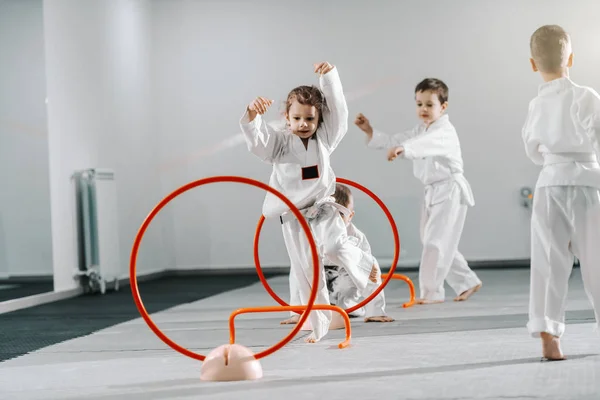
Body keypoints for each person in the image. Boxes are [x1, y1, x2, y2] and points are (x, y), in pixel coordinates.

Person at [240, 62, 376, 342]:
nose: (304, 124)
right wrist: (253, 115)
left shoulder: (324, 140)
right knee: (306, 271)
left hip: (324, 209)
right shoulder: (279, 144)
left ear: (319, 120)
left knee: (336, 246)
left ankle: (365, 263)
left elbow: (339, 113)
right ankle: (318, 327)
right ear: (287, 118)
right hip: (293, 218)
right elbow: (258, 142)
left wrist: (328, 78)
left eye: (310, 119)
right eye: (298, 118)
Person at [354, 78, 482, 305]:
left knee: (435, 242)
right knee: (434, 241)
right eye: (419, 104)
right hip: (432, 192)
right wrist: (370, 131)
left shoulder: (444, 131)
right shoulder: (421, 129)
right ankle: (467, 281)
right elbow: (397, 140)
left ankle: (431, 292)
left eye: (429, 105)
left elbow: (425, 144)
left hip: (449, 190)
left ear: (443, 107)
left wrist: (405, 149)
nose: (423, 109)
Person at [522, 24, 600, 360]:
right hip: (587, 183)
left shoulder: (535, 105)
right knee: (597, 260)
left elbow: (531, 149)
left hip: (550, 182)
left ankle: (548, 333)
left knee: (549, 261)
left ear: (532, 64)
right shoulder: (586, 96)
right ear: (571, 57)